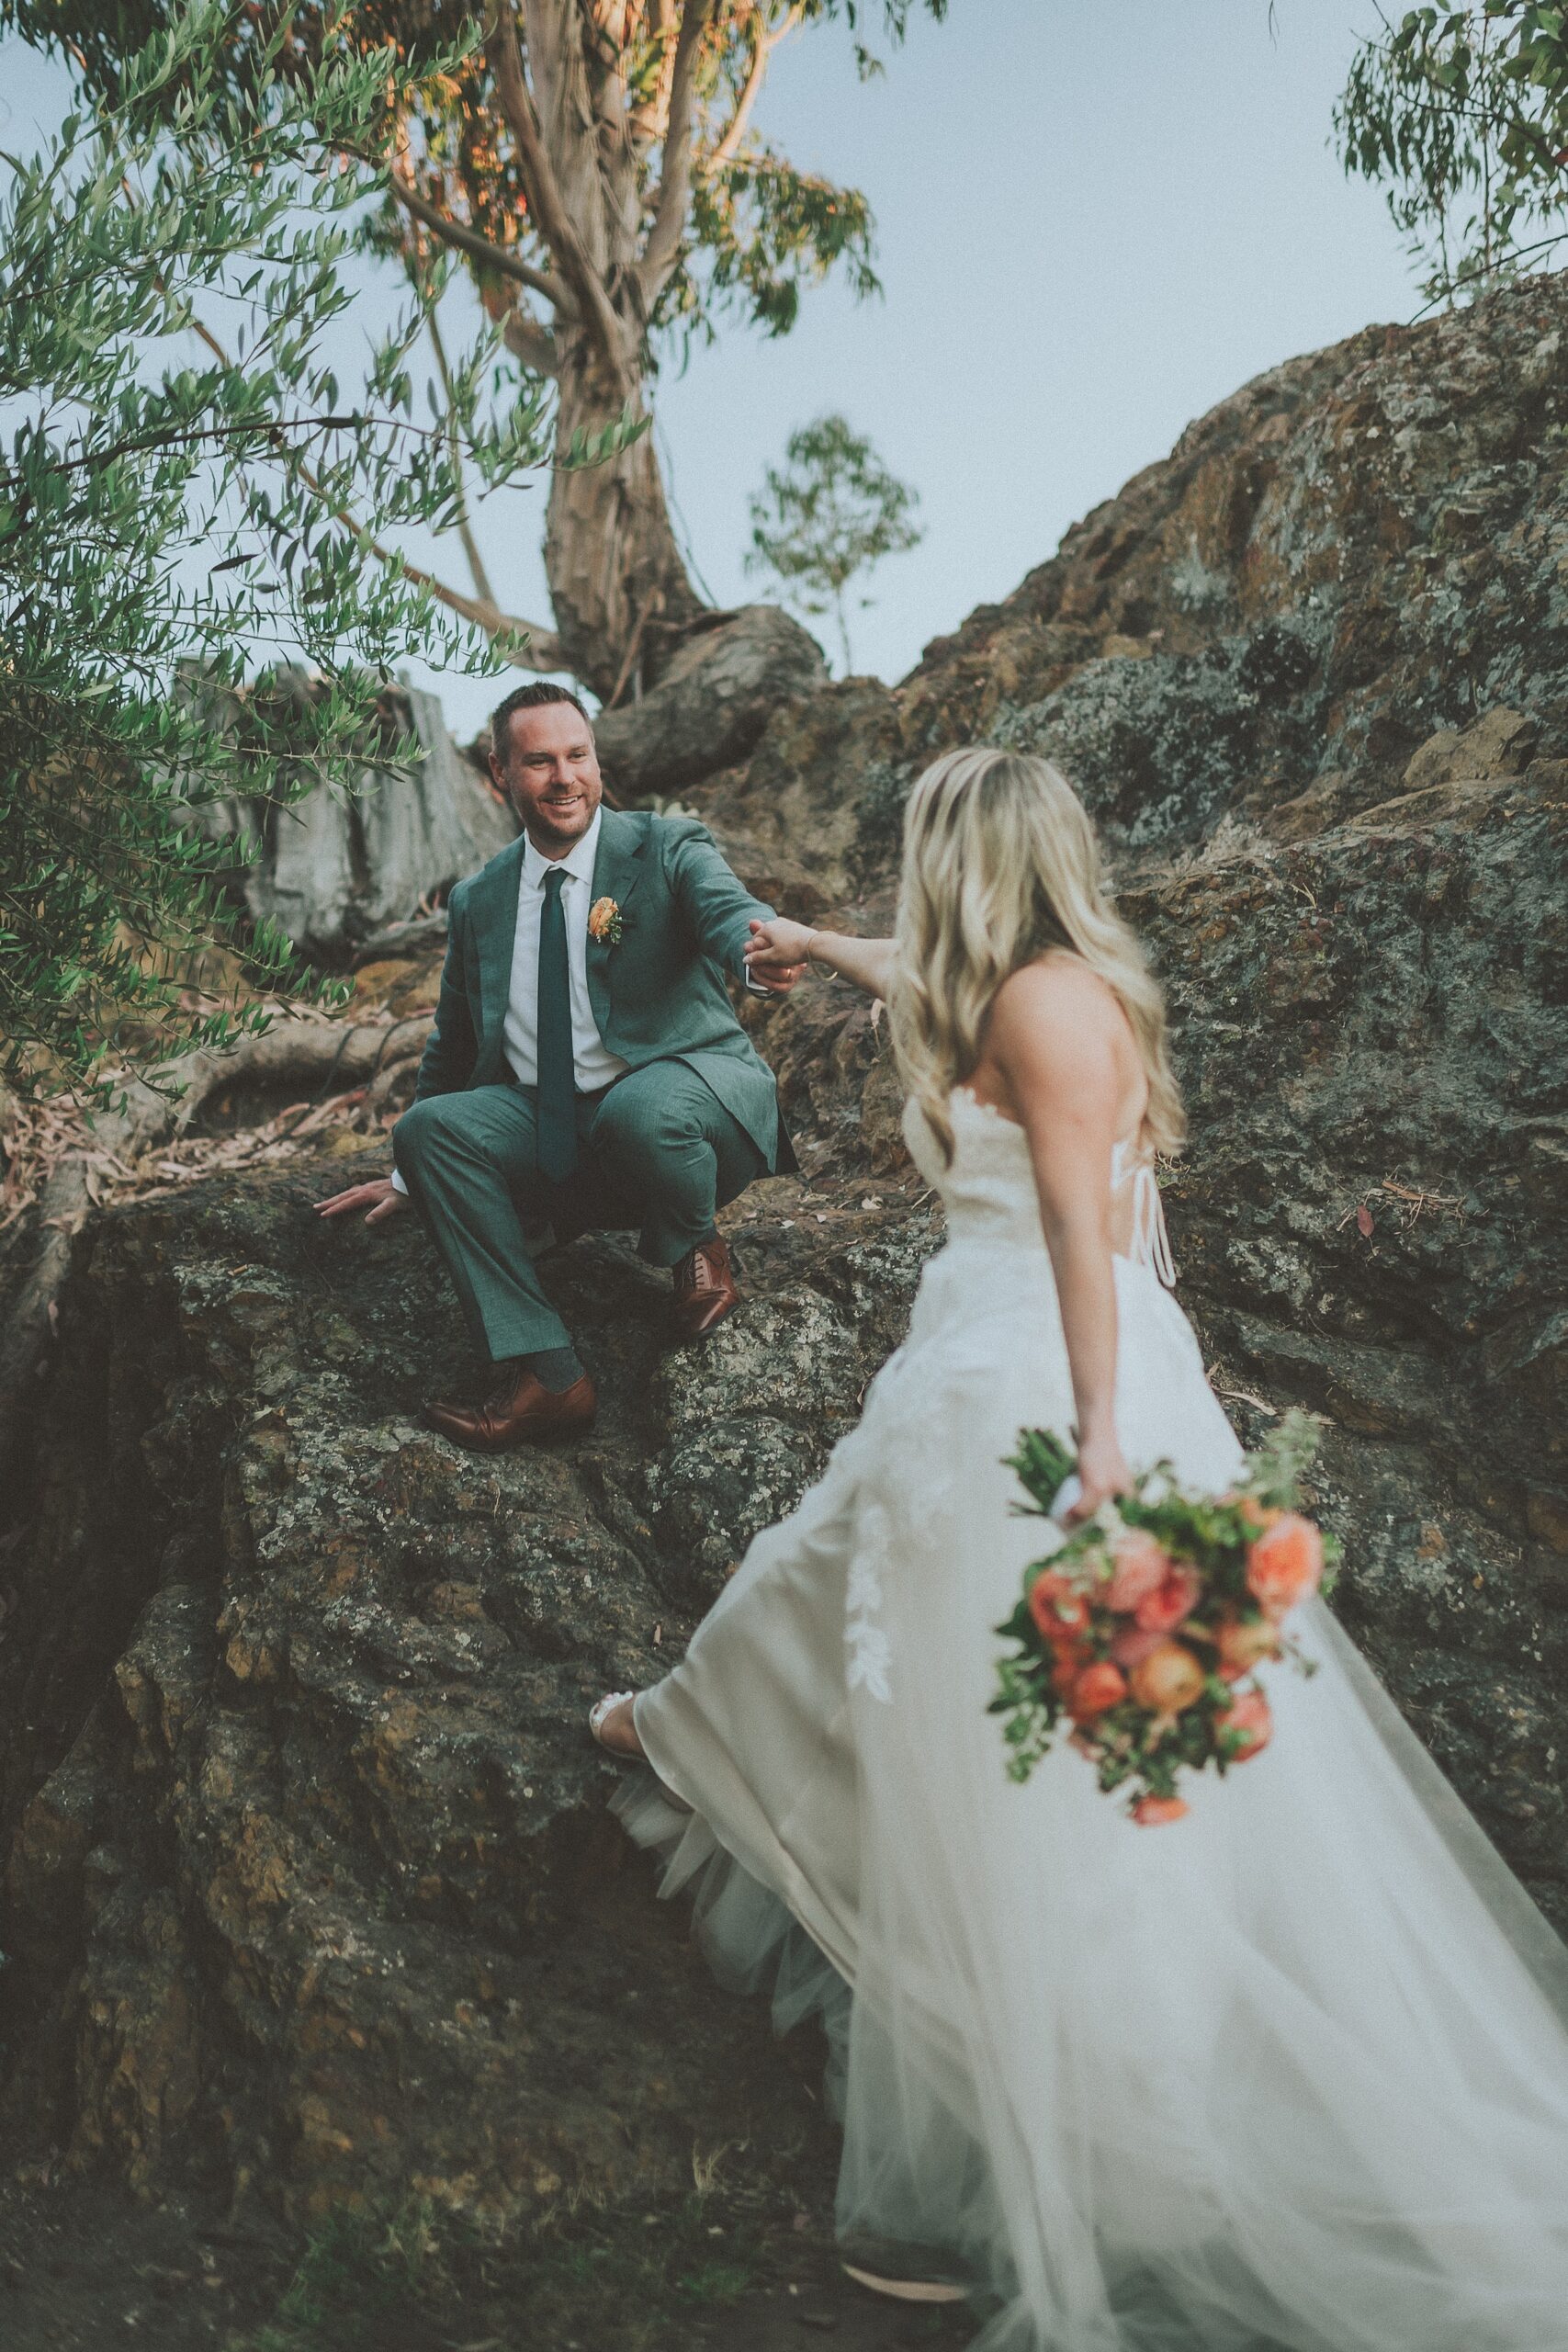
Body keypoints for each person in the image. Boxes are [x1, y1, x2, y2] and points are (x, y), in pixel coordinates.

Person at [592, 747, 1568, 2350]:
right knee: (887, 1642)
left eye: (918, 852)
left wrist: (1101, 1447)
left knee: (1019, 1761)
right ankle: (688, 1734)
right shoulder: (1022, 982)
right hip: (985, 1377)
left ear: (963, 860)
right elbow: (921, 978)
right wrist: (819, 945)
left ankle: (1072, 2128)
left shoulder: (1044, 1014)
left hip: (1032, 1397)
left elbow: (1074, 1235)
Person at [316, 682, 804, 1452]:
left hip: (692, 1112)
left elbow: (725, 912)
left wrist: (758, 952)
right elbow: (451, 1040)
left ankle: (695, 1245)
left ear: (597, 760)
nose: (565, 778)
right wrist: (416, 1174)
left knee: (641, 1111)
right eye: (539, 762)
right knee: (431, 1129)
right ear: (499, 772)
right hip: (561, 1139)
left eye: (577, 755)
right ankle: (548, 1372)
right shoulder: (479, 900)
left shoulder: (665, 846)